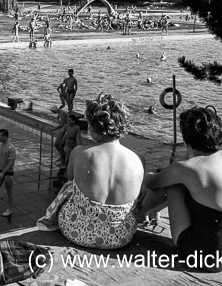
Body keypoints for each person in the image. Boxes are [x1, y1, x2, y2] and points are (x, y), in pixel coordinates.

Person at [135, 105, 222, 271]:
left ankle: (140, 213)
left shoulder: (187, 168)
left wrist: (144, 173)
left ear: (186, 141)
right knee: (180, 179)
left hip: (206, 256)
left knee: (174, 183)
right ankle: (147, 212)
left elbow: (150, 182)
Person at [36, 93, 143, 250]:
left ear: (92, 127)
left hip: (77, 231)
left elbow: (72, 183)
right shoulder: (138, 159)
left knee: (69, 187)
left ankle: (50, 218)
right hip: (120, 236)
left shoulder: (80, 153)